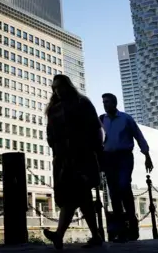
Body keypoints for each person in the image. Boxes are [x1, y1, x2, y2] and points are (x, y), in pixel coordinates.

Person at [43, 74, 104, 250]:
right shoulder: (53, 108)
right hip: (63, 159)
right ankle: (95, 236)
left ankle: (59, 235)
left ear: (67, 86)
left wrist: (97, 152)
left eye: (60, 86)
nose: (57, 90)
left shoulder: (82, 103)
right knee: (80, 197)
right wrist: (56, 150)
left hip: (82, 156)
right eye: (54, 87)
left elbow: (95, 128)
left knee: (75, 195)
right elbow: (50, 134)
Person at [100, 93, 153, 242]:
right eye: (104, 102)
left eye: (108, 102)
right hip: (109, 158)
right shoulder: (102, 120)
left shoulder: (126, 118)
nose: (105, 105)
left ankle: (132, 225)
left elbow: (138, 135)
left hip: (124, 157)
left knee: (124, 187)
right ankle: (121, 230)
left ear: (114, 103)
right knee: (114, 193)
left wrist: (147, 155)